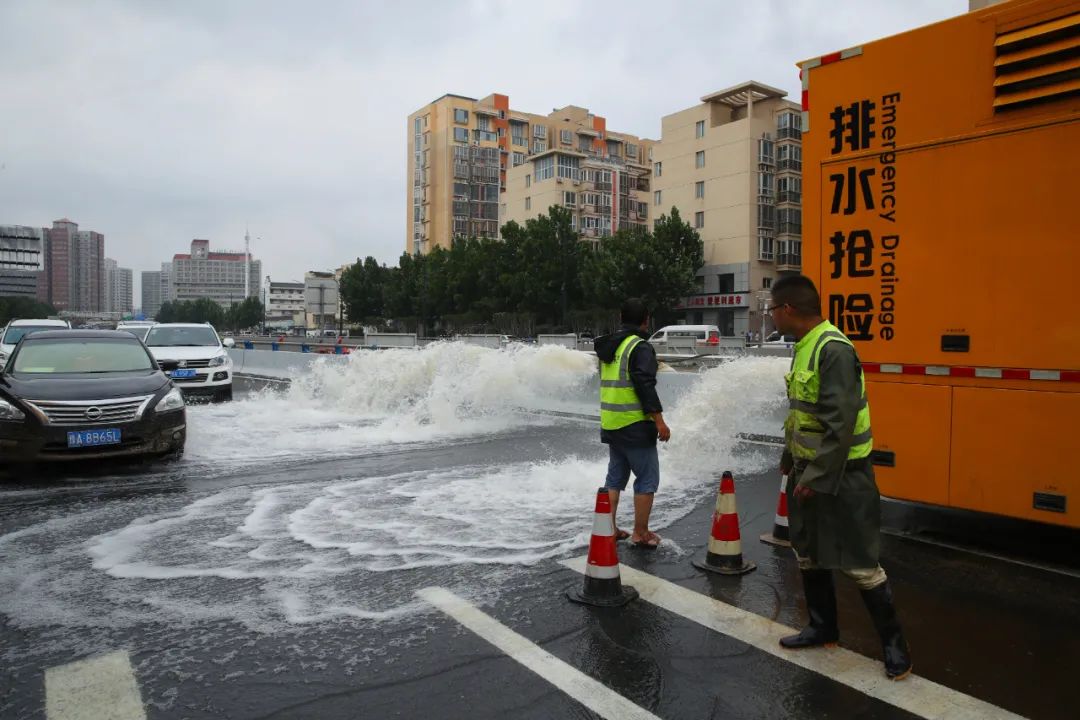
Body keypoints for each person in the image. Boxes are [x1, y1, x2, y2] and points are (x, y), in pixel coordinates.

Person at [769, 275, 912, 681]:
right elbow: (801, 412)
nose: (772, 318)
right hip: (808, 472)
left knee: (861, 563)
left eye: (773, 311)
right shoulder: (804, 347)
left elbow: (841, 422)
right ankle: (822, 627)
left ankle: (895, 647)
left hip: (842, 476)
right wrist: (788, 456)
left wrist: (814, 474)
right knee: (808, 551)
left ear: (789, 310)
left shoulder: (833, 350)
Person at [593, 298, 671, 548]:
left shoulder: (610, 346)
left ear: (621, 317)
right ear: (646, 320)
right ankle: (640, 532)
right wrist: (659, 420)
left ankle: (609, 528)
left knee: (615, 479)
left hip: (612, 422)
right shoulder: (640, 347)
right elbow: (644, 385)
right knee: (647, 480)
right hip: (635, 424)